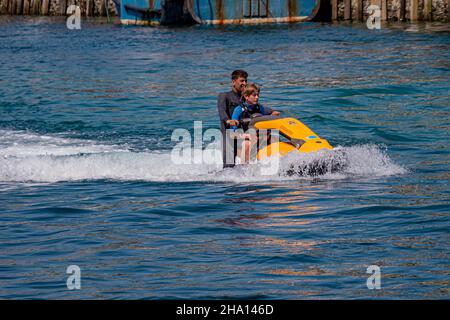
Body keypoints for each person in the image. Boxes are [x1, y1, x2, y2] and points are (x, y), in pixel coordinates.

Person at [230, 83, 280, 164]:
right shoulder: (238, 110)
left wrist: (273, 114)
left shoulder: (259, 107)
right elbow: (232, 134)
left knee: (276, 140)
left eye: (258, 95)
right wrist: (244, 135)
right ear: (246, 96)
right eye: (254, 95)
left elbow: (273, 113)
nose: (257, 97)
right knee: (247, 144)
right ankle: (244, 169)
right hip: (244, 138)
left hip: (260, 137)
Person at [217, 70, 248, 168]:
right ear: (234, 82)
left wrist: (270, 112)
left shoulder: (245, 98)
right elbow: (221, 111)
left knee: (247, 165)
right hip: (228, 135)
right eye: (242, 81)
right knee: (229, 167)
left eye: (246, 81)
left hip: (242, 135)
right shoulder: (224, 96)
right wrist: (228, 120)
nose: (245, 83)